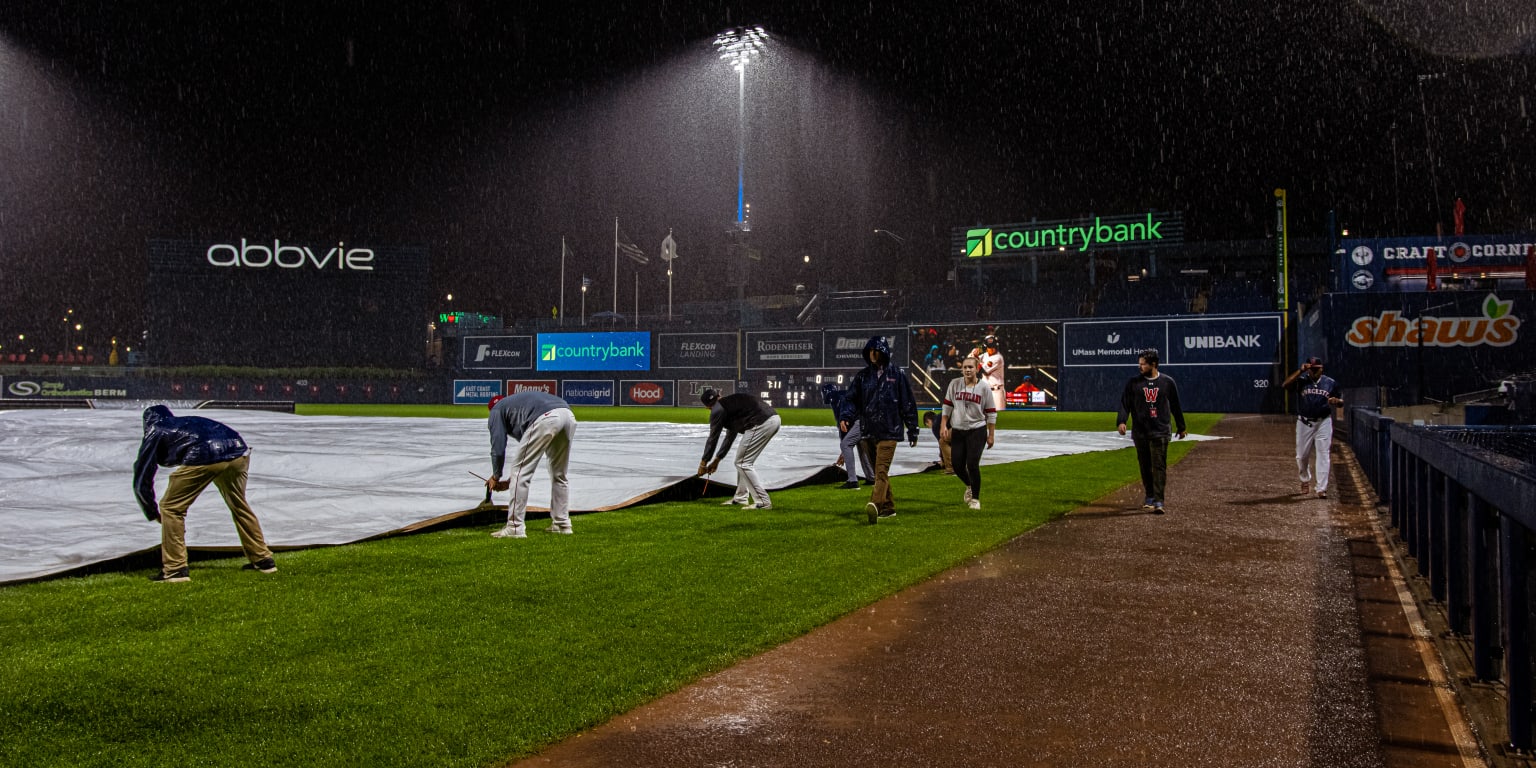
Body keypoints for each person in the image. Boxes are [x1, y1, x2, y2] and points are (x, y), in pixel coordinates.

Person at [133, 405, 275, 582]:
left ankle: (175, 569)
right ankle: (263, 560)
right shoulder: (184, 422)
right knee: (238, 504)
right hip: (238, 452)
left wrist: (151, 511)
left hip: (205, 454)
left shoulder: (155, 429)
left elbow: (142, 475)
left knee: (171, 508)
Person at [839, 336, 920, 524]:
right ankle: (889, 507)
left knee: (881, 471)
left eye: (876, 351)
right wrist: (846, 416)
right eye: (870, 351)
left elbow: (908, 403)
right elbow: (851, 399)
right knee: (878, 472)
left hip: (889, 431)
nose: (873, 354)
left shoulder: (897, 374)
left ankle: (874, 504)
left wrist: (913, 429)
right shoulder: (862, 377)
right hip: (868, 431)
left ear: (883, 352)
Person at [486, 391, 578, 538]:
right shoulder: (516, 406)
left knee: (519, 473)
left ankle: (515, 527)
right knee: (559, 474)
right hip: (567, 414)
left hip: (546, 417)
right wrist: (510, 481)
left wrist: (496, 476)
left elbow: (497, 448)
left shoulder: (496, 410)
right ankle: (562, 524)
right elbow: (528, 454)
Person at [1116, 348, 1186, 514]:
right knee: (1145, 465)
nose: (1139, 367)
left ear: (1153, 364)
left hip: (1160, 430)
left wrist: (1181, 427)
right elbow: (1125, 403)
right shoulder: (1133, 383)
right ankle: (1149, 495)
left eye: (1143, 364)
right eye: (1139, 363)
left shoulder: (1167, 382)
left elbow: (1176, 406)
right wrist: (1122, 421)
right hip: (1140, 431)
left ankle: (1159, 500)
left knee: (1159, 466)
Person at [699, 388, 782, 509]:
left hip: (760, 423)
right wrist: (716, 460)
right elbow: (730, 437)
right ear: (719, 396)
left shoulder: (717, 410)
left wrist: (703, 463)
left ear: (707, 407)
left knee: (742, 463)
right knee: (741, 461)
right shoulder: (730, 405)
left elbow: (713, 438)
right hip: (772, 419)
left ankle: (763, 502)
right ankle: (741, 498)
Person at [1283, 356, 1343, 498]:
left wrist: (1337, 401)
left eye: (1316, 369)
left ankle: (1321, 488)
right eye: (1311, 369)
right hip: (1304, 422)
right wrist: (1300, 371)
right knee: (1302, 456)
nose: (1313, 372)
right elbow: (1285, 385)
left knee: (1323, 454)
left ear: (1321, 369)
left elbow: (1341, 402)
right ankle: (1305, 479)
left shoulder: (1331, 383)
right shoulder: (1302, 381)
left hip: (1324, 421)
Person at [942, 356, 997, 509]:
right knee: (957, 465)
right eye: (965, 367)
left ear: (977, 369)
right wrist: (943, 425)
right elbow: (947, 406)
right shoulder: (955, 384)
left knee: (972, 463)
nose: (967, 370)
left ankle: (975, 499)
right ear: (962, 369)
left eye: (970, 367)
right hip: (958, 430)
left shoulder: (983, 387)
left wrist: (991, 434)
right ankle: (969, 485)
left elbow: (991, 412)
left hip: (977, 430)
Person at [823, 383, 873, 489]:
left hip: (861, 421)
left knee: (846, 444)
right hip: (866, 419)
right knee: (861, 445)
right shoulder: (842, 395)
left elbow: (844, 423)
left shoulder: (837, 398)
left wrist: (843, 451)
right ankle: (871, 477)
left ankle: (852, 481)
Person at [979, 334, 1007, 412]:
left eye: (993, 347)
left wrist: (976, 361)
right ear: (985, 347)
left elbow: (984, 371)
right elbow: (970, 360)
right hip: (984, 391)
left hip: (996, 392)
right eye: (989, 347)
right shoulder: (985, 355)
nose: (992, 349)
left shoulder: (998, 357)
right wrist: (973, 354)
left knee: (999, 417)